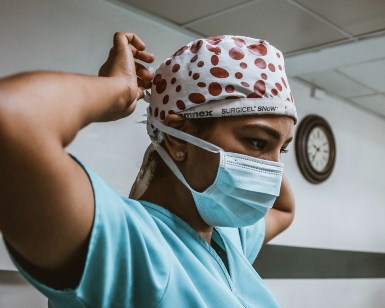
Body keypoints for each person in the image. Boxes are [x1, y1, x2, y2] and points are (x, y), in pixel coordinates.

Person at [0, 32, 296, 307]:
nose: (273, 170)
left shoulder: (227, 239)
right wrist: (119, 90)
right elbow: (11, 117)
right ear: (176, 137)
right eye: (257, 142)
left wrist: (269, 133)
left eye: (281, 150)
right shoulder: (128, 246)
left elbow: (284, 210)